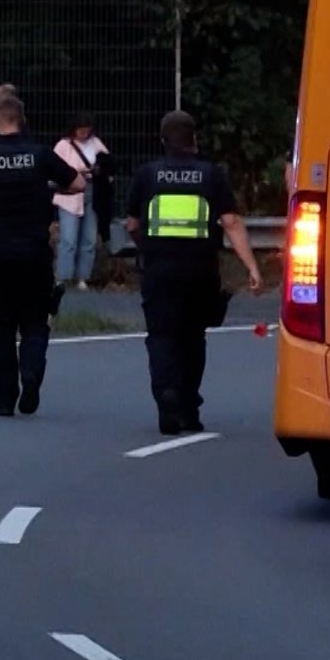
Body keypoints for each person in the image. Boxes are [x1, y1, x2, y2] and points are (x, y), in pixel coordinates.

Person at [125, 110, 264, 435]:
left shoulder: (147, 174)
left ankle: (166, 394)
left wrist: (145, 244)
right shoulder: (210, 174)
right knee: (192, 337)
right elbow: (231, 223)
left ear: (162, 141)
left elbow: (132, 224)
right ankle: (188, 406)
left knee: (161, 336)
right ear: (194, 141)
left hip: (158, 269)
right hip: (199, 271)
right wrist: (252, 267)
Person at [0, 95, 82, 417]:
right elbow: (78, 182)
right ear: (22, 119)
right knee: (35, 321)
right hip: (34, 252)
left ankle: (4, 395)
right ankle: (30, 376)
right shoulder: (41, 154)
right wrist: (49, 190)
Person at [54, 112, 109, 291]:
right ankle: (63, 276)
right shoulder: (63, 146)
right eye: (80, 131)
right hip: (68, 195)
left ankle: (83, 277)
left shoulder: (96, 144)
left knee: (89, 239)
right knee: (68, 238)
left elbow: (107, 163)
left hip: (92, 192)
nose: (84, 134)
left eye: (86, 131)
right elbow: (55, 169)